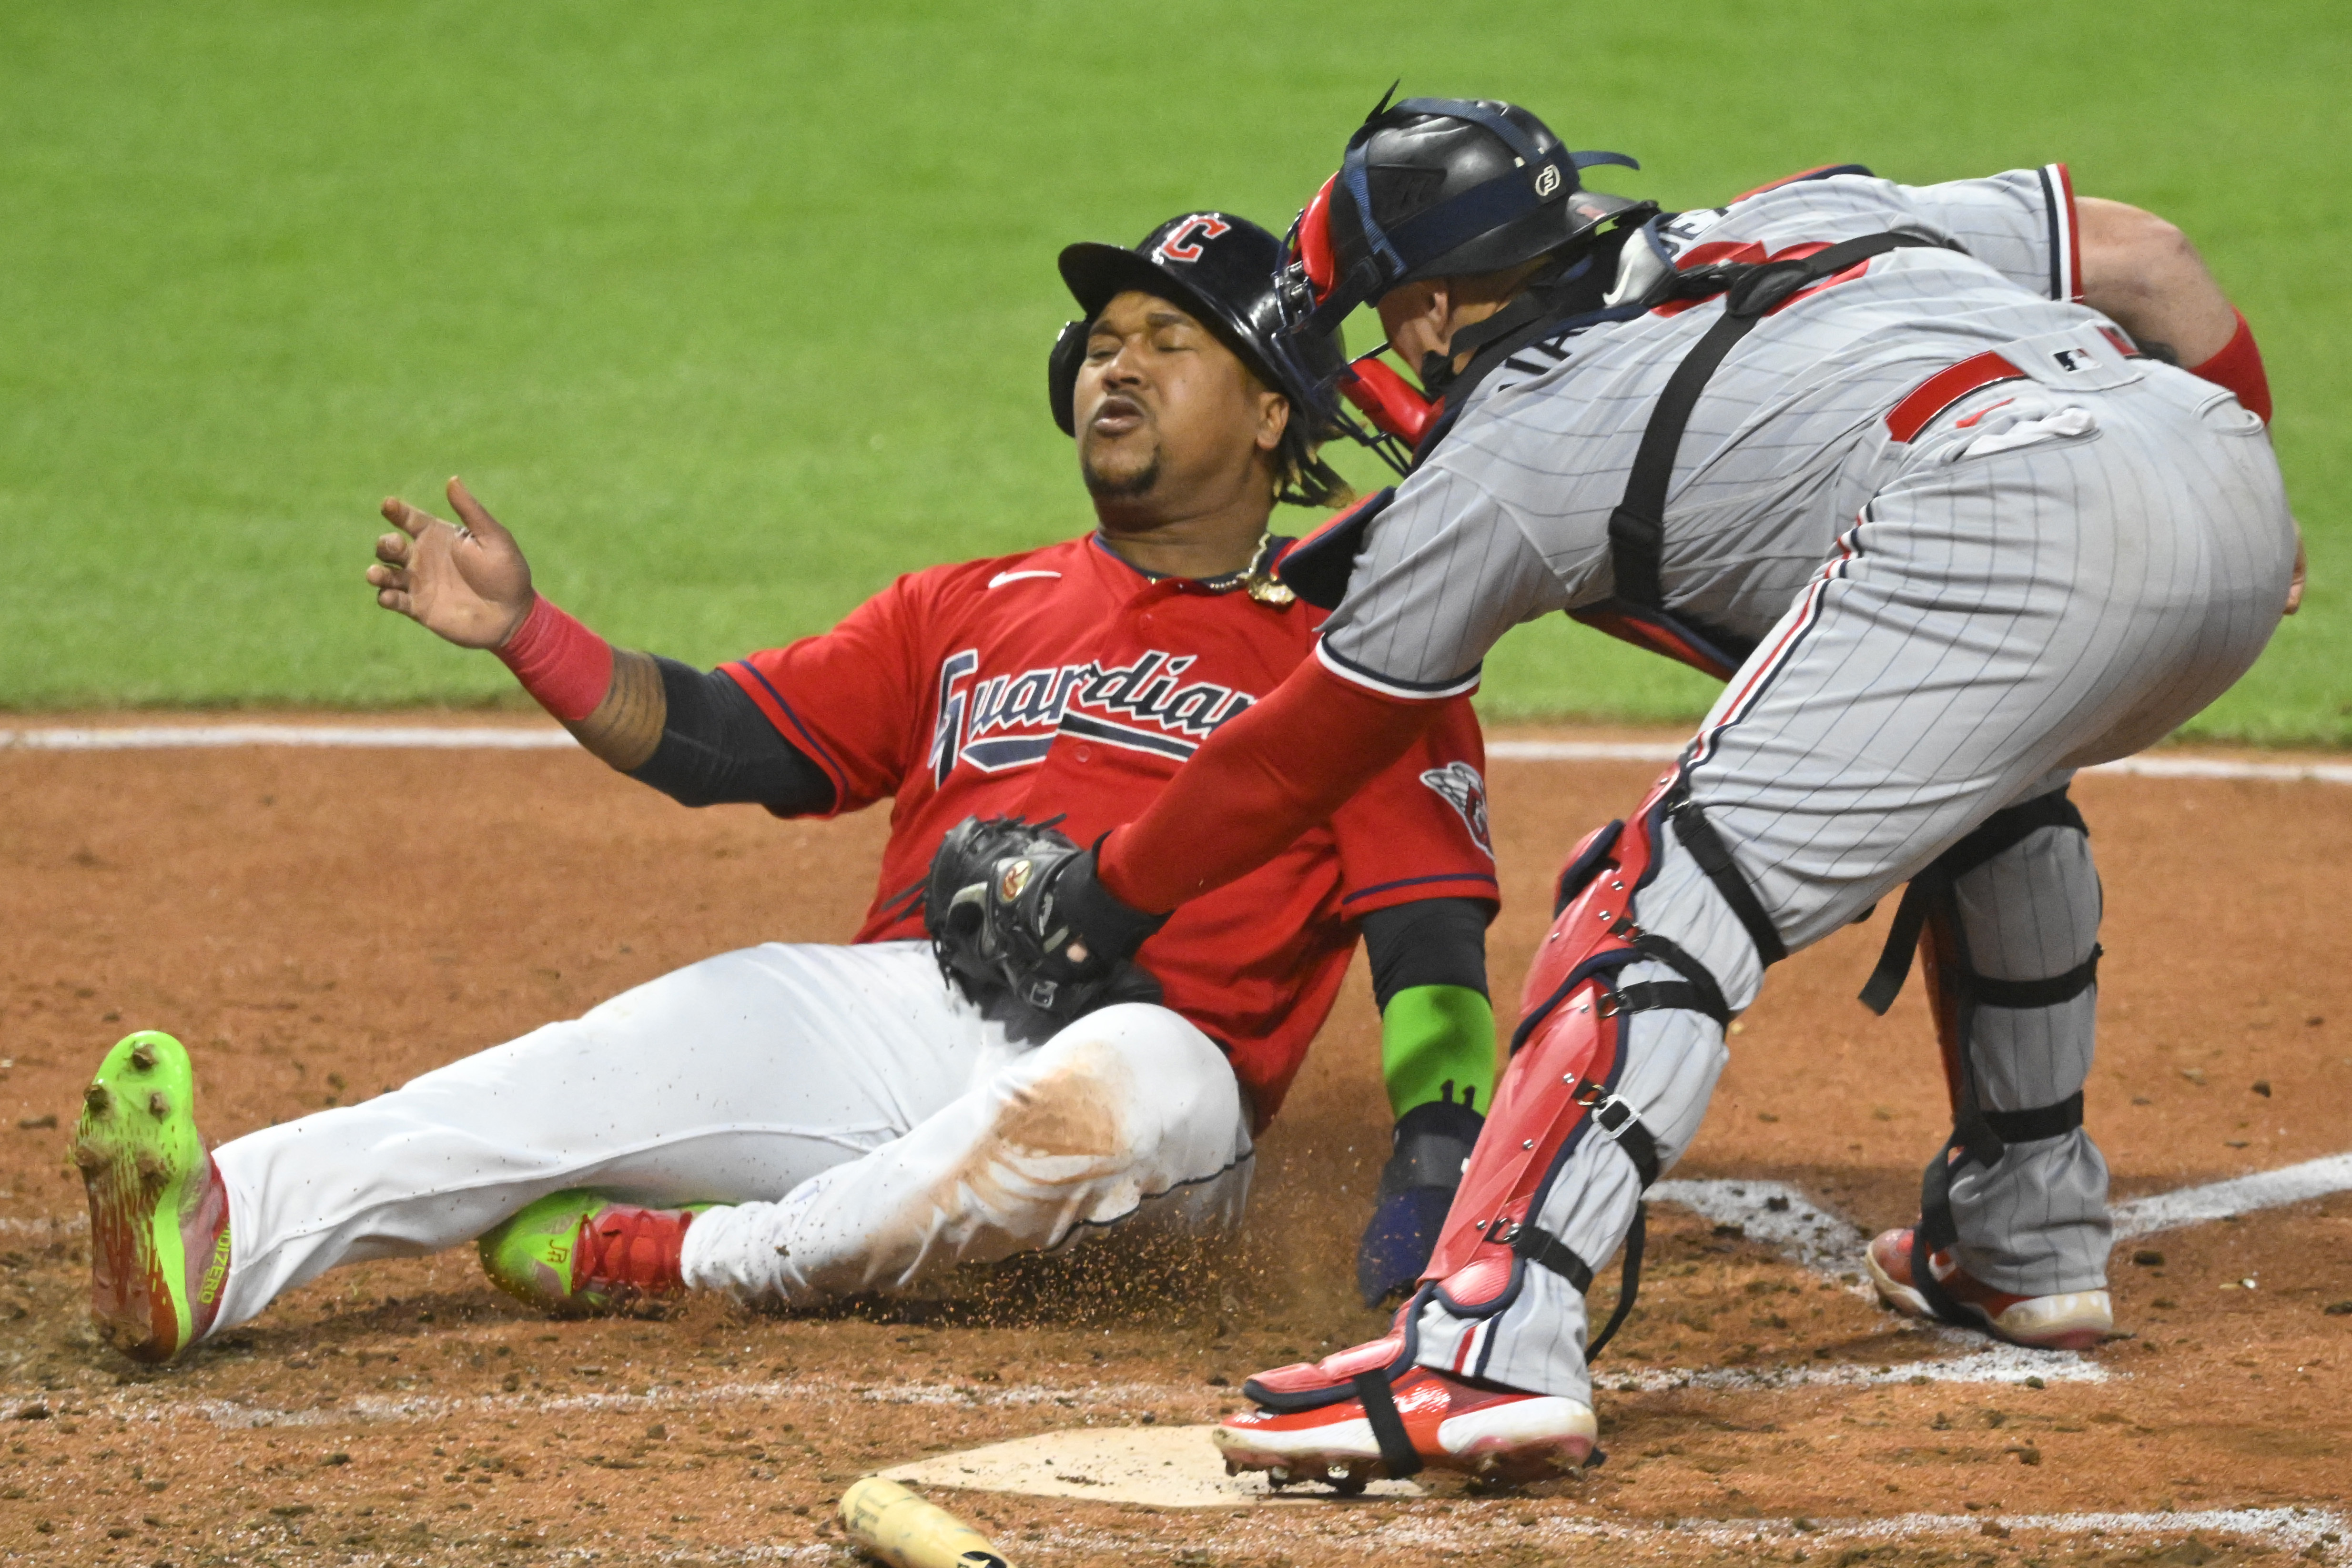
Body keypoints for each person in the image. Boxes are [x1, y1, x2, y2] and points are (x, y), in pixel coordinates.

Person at [921, 99, 2298, 1485]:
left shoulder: (1517, 444)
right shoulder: (1793, 212)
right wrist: (2237, 502)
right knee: (1993, 788)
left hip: (1998, 512)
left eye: (1387, 317)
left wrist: (1108, 887)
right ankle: (2023, 1236)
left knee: (1660, 892)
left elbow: (1309, 745)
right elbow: (2148, 259)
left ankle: (1487, 1343)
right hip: (2222, 478)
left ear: (1433, 307)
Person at [68, 212, 1505, 1365]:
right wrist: (528, 630)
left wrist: (1437, 1171)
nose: (1112, 367)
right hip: (911, 1016)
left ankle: (684, 1256)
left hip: (1154, 1106)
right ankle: (221, 1227)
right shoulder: (972, 602)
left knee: (1143, 1079)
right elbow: (722, 738)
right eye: (1103, 340)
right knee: (606, 1057)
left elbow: (1432, 948)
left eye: (1167, 342)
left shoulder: (1366, 660)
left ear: (1269, 413)